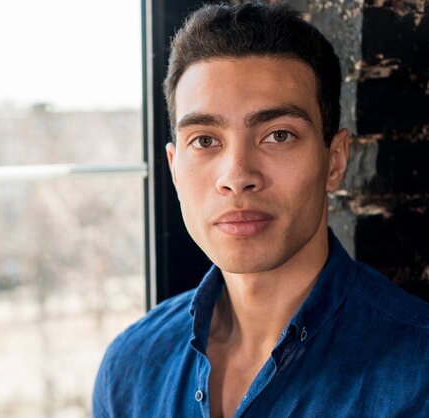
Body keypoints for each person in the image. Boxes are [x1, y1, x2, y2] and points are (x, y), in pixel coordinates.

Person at [92, 2, 429, 417]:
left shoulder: (419, 375)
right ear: (174, 169)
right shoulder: (132, 366)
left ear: (335, 161)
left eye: (278, 135)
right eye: (204, 140)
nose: (237, 176)